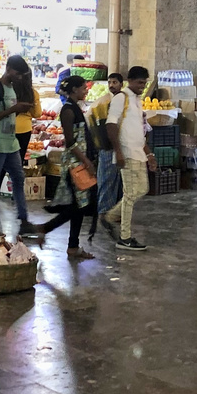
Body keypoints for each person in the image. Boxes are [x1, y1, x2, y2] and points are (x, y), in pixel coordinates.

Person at [0, 56, 44, 241]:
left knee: (18, 179)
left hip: (11, 144)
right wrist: (13, 110)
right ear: (9, 69)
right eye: (18, 74)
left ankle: (23, 221)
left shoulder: (12, 89)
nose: (20, 78)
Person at [38, 75, 98, 261]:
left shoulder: (76, 108)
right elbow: (71, 142)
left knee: (78, 206)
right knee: (78, 207)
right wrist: (86, 161)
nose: (85, 90)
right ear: (73, 90)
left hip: (80, 161)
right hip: (75, 164)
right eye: (82, 88)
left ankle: (72, 246)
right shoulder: (68, 110)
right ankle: (46, 229)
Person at [104, 66, 155, 251]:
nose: (143, 86)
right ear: (130, 81)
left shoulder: (137, 100)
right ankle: (124, 237)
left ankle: (109, 217)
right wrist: (118, 151)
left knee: (142, 189)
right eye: (140, 82)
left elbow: (140, 130)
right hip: (126, 152)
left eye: (145, 83)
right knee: (131, 194)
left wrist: (149, 154)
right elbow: (110, 125)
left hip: (138, 152)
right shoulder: (121, 98)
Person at [90, 73, 126, 237]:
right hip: (107, 147)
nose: (112, 85)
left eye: (115, 82)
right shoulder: (104, 103)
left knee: (116, 182)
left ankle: (112, 212)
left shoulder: (123, 101)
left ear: (121, 84)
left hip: (118, 147)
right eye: (110, 82)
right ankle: (104, 212)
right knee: (106, 180)